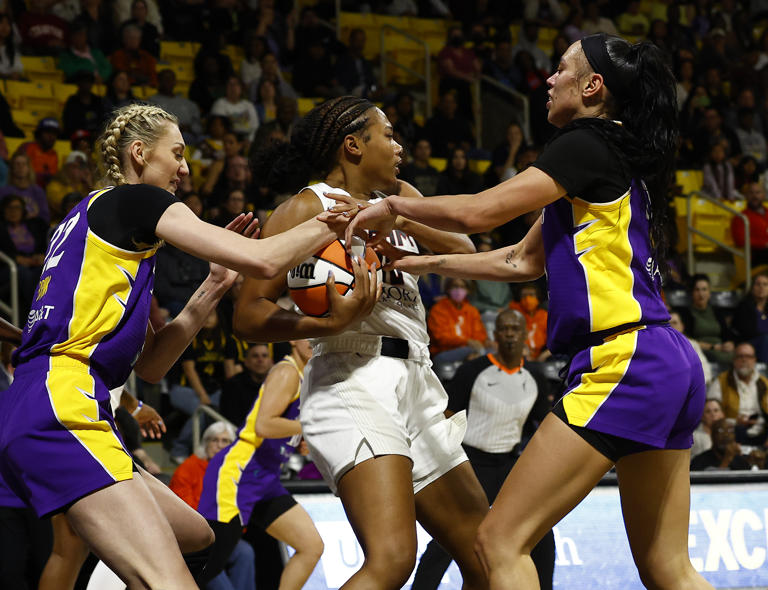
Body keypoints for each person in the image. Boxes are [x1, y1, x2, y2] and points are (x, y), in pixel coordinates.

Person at [346, 34, 714, 590]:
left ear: (592, 87)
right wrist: (422, 263)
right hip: (667, 361)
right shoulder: (613, 157)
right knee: (669, 568)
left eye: (561, 69)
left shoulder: (583, 142)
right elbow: (521, 259)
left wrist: (392, 204)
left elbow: (480, 211)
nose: (548, 79)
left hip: (625, 360)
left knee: (498, 543)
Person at [0, 102, 374, 589]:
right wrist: (337, 215)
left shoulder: (105, 228)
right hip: (61, 403)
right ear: (139, 154)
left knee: (197, 537)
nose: (184, 169)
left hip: (43, 402)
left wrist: (215, 285)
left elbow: (153, 365)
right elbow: (264, 260)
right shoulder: (136, 201)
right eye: (176, 154)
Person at [237, 95, 489, 590]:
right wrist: (328, 324)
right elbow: (248, 314)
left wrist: (399, 219)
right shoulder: (306, 208)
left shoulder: (400, 195)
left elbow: (466, 249)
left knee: (488, 555)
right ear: (353, 146)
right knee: (393, 558)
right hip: (352, 377)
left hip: (417, 379)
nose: (399, 146)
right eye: (389, 135)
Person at [412, 310, 555, 590]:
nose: (510, 334)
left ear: (526, 334)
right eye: (504, 329)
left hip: (510, 465)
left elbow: (542, 425)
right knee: (447, 540)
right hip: (472, 462)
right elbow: (449, 414)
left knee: (542, 533)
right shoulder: (472, 370)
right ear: (495, 335)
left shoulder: (535, 376)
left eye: (516, 329)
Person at [197, 340, 322, 589]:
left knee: (311, 546)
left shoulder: (307, 376)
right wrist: (308, 428)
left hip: (266, 476)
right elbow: (263, 425)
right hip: (241, 471)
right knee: (207, 566)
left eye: (319, 335)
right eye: (308, 334)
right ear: (293, 339)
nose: (313, 341)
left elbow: (283, 425)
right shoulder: (287, 371)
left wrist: (298, 439)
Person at [169, 421, 256, 590]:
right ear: (205, 443)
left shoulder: (236, 471)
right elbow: (185, 515)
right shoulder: (188, 469)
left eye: (225, 441)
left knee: (245, 552)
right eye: (214, 440)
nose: (219, 445)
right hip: (196, 540)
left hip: (223, 536)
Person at [707, 341, 768, 447]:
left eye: (748, 356)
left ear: (754, 360)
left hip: (762, 431)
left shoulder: (764, 383)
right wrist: (735, 422)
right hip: (732, 433)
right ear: (734, 360)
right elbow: (711, 414)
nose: (744, 360)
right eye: (740, 356)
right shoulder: (721, 381)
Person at [428, 277, 489, 366]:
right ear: (448, 289)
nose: (459, 290)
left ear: (468, 290)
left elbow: (480, 334)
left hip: (470, 349)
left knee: (492, 352)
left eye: (462, 287)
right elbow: (441, 338)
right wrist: (467, 342)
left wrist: (475, 344)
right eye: (455, 286)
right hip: (443, 352)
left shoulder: (472, 310)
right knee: (478, 353)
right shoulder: (438, 310)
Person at [219, 342, 273, 426]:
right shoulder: (232, 386)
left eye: (264, 356)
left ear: (271, 362)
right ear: (246, 362)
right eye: (255, 356)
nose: (260, 360)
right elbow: (231, 419)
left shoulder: (277, 384)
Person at [732, 272, 768, 362]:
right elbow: (745, 332)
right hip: (749, 343)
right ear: (752, 288)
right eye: (758, 284)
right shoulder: (744, 307)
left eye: (765, 284)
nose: (761, 287)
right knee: (765, 340)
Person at [731, 182, 768, 266]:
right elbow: (740, 241)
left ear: (763, 195)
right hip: (755, 255)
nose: (755, 196)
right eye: (751, 193)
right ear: (746, 196)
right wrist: (764, 244)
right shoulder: (740, 218)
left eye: (758, 192)